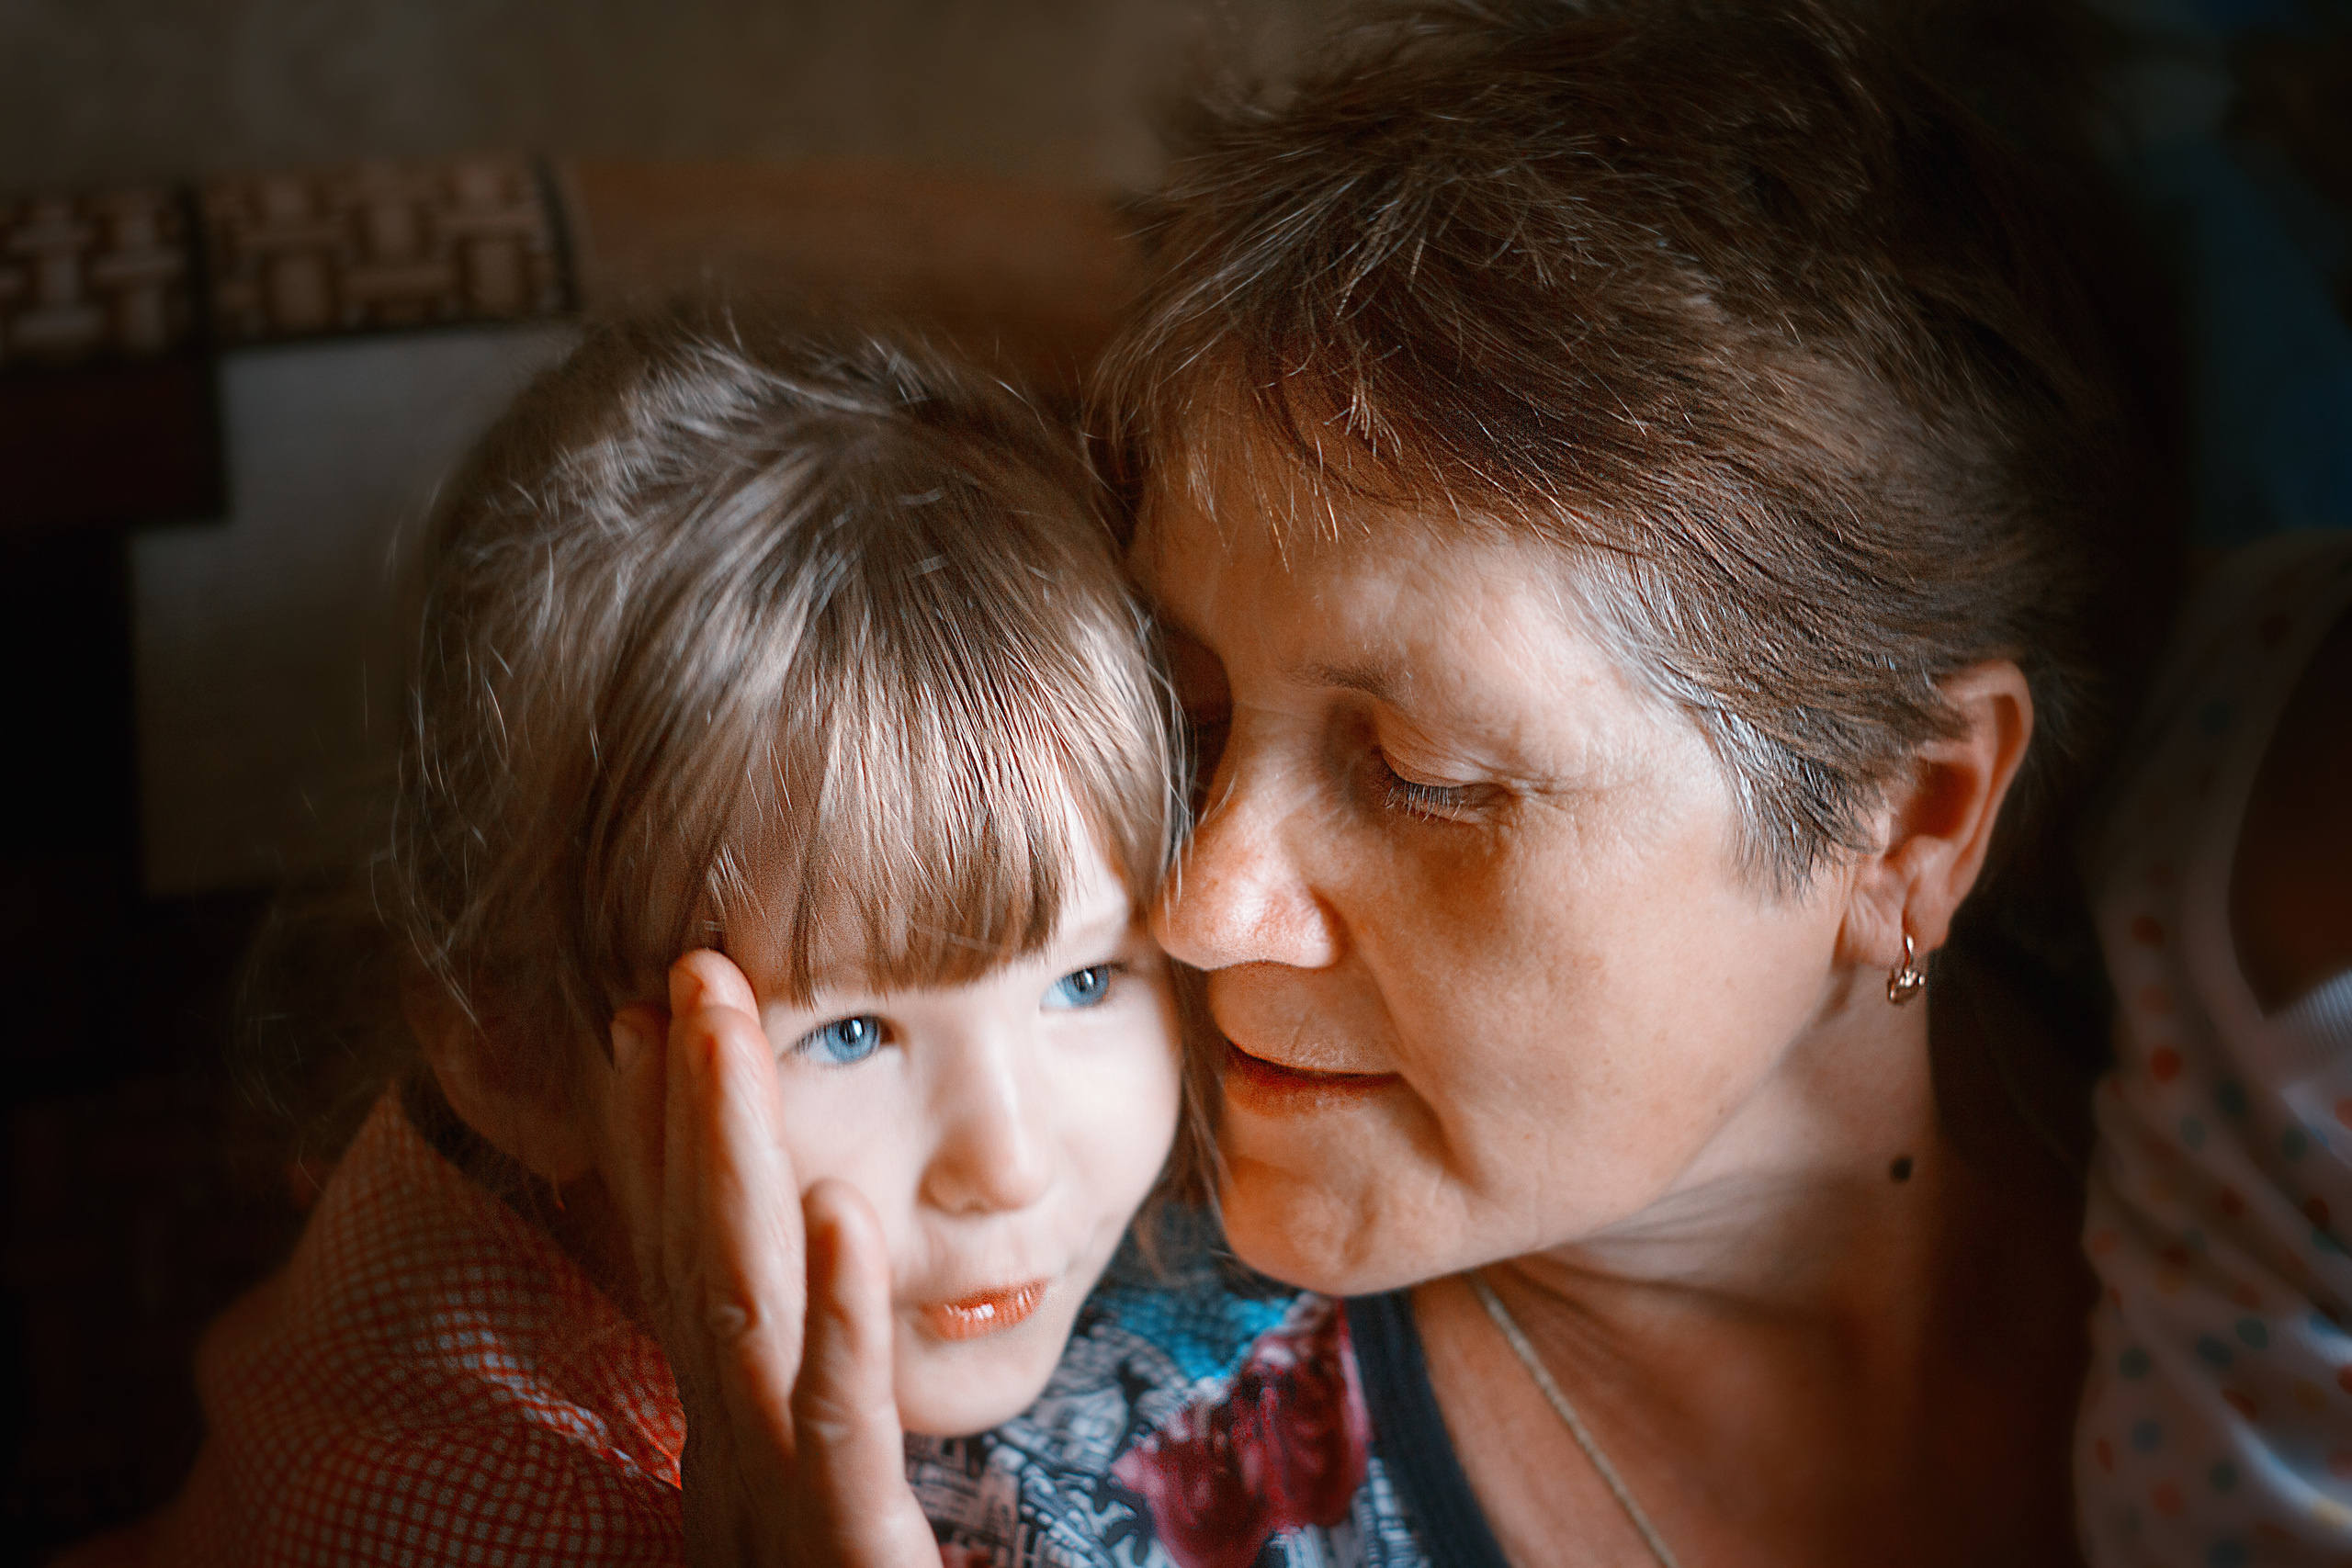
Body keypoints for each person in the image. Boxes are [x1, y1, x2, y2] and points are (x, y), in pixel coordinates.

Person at [619, 3, 2255, 1564]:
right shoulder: (1049, 1503)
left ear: (1913, 821)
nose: (1198, 908)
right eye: (1184, 717)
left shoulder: (2253, 1129)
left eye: (1422, 776)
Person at [105, 314, 1365, 1567]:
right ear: (514, 1057)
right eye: (851, 1033)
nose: (1011, 1161)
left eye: (1087, 979)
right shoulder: (490, 1519)